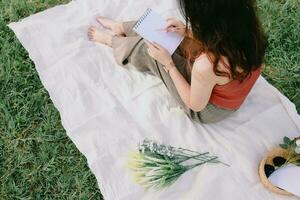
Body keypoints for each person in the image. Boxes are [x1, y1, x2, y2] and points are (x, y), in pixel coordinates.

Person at [87, 0, 267, 124]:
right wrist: (186, 31)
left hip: (206, 109)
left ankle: (113, 41)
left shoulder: (207, 65)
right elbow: (220, 40)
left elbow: (194, 104)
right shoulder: (250, 32)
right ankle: (121, 27)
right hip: (224, 81)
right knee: (164, 31)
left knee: (151, 50)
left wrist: (169, 64)